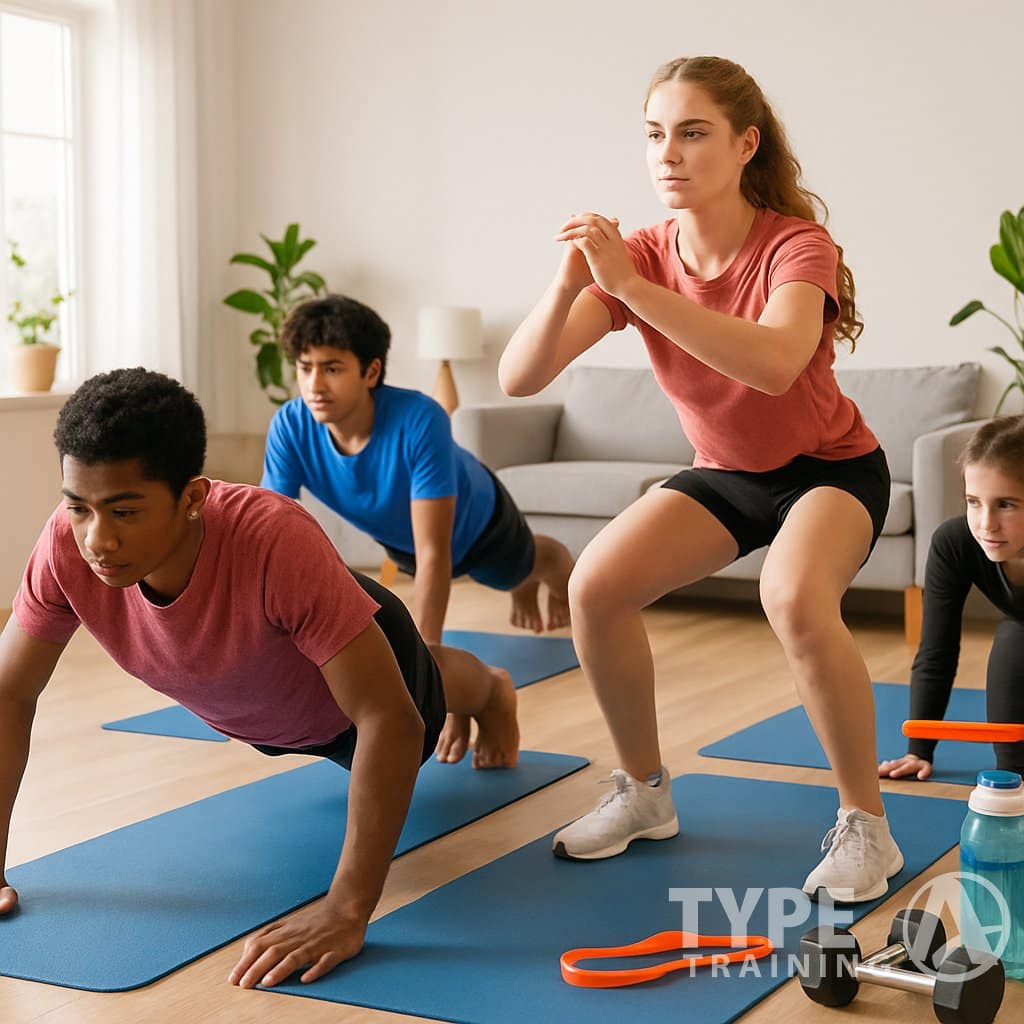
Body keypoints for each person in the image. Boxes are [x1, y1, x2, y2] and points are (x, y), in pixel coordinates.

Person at [499, 55, 901, 902]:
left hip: (830, 471)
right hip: (726, 475)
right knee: (596, 586)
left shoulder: (797, 245)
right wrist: (572, 279)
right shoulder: (642, 253)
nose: (667, 154)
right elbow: (519, 378)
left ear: (745, 143)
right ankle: (643, 794)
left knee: (793, 598)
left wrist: (632, 289)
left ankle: (867, 827)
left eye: (692, 133)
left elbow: (775, 364)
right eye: (654, 135)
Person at [0, 368, 518, 989]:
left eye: (125, 511)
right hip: (266, 707)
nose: (97, 540)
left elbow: (390, 718)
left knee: (430, 685)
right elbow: (9, 693)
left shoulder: (272, 538)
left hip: (358, 688)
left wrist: (347, 911)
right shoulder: (66, 547)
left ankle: (492, 691)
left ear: (192, 497)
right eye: (78, 506)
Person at [261, 294, 574, 762]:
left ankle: (550, 569)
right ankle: (522, 585)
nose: (314, 384)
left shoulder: (419, 418)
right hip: (400, 537)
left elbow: (435, 553)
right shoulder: (290, 426)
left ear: (370, 371)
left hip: (478, 521)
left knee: (516, 568)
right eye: (305, 368)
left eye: (332, 368)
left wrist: (433, 680)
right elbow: (270, 531)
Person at [879, 417, 1024, 782]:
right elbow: (936, 651)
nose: (986, 524)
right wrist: (919, 748)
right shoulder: (956, 542)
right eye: (974, 502)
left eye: (1006, 504)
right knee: (1015, 638)